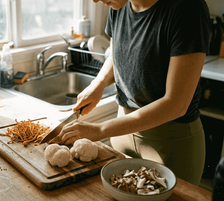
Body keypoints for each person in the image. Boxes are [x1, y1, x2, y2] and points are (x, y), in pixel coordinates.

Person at [58, 0, 211, 186]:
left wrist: (100, 130)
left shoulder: (188, 8)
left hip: (170, 143)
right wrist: (97, 84)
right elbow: (117, 54)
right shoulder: (119, 5)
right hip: (122, 135)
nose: (95, 0)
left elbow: (176, 104)